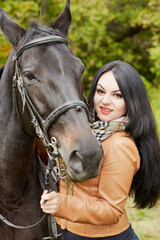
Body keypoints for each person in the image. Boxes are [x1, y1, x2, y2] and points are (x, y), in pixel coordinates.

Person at [40, 60, 160, 240]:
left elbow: (111, 210)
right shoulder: (88, 132)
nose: (105, 100)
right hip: (68, 231)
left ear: (132, 101)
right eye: (100, 91)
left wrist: (62, 204)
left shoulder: (120, 145)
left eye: (117, 95)